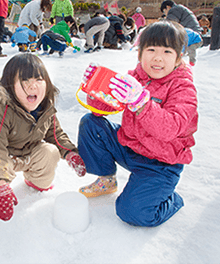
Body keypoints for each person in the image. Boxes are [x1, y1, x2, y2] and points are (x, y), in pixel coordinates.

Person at [77, 20, 198, 227]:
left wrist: (141, 103)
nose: (158, 58)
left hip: (161, 164)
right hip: (131, 147)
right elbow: (107, 105)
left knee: (132, 212)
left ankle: (172, 200)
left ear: (178, 58)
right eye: (151, 49)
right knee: (91, 124)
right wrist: (94, 87)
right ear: (140, 53)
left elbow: (170, 129)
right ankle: (106, 178)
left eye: (167, 51)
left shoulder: (183, 87)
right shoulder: (136, 77)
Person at [0, 53, 86, 221]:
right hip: (0, 156)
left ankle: (35, 181)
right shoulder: (1, 109)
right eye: (25, 80)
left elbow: (55, 134)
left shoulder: (45, 108)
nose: (33, 86)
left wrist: (69, 153)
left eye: (39, 80)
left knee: (50, 151)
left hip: (27, 152)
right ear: (10, 85)